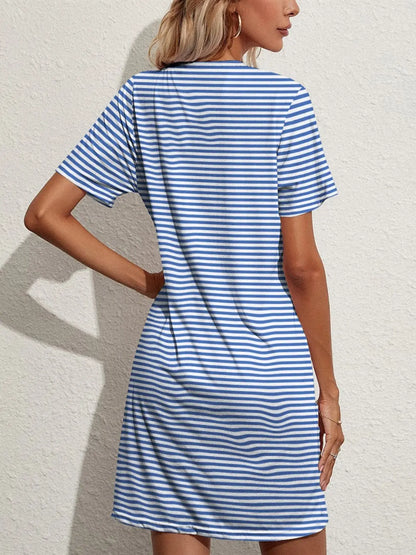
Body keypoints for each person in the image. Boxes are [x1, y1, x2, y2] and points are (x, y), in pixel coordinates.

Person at [24, 0, 344, 553]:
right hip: (269, 379)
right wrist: (329, 391)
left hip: (172, 375)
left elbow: (44, 213)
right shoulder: (283, 101)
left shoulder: (142, 98)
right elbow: (302, 267)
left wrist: (150, 282)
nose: (294, 6)